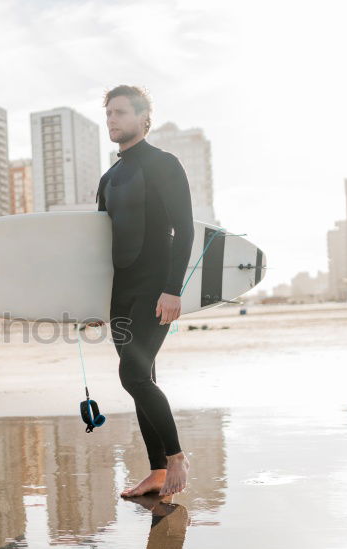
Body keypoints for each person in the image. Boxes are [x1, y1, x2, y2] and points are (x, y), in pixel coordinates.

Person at [96, 85, 194, 498]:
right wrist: (91, 303)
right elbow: (97, 248)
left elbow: (183, 228)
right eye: (109, 114)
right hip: (122, 292)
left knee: (133, 374)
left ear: (142, 118)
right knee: (143, 377)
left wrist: (172, 290)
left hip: (156, 289)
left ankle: (175, 457)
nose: (112, 120)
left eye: (120, 113)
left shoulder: (163, 164)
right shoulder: (109, 178)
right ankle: (155, 471)